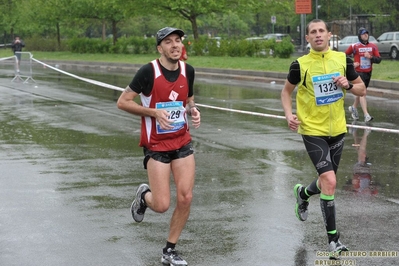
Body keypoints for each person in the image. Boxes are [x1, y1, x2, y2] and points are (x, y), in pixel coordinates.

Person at [281, 19, 366, 259]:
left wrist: (347, 84)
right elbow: (286, 92)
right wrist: (289, 115)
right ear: (307, 38)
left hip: (338, 130)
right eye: (313, 32)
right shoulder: (300, 65)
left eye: (321, 31)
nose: (318, 35)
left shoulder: (343, 60)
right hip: (312, 130)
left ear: (329, 35)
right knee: (329, 180)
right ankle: (333, 241)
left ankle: (303, 194)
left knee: (326, 182)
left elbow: (361, 89)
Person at [117, 27, 200, 266]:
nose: (175, 45)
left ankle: (170, 250)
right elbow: (123, 102)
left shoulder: (188, 71)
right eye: (168, 42)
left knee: (186, 197)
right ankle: (144, 196)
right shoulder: (148, 72)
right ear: (160, 48)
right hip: (156, 145)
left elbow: (188, 100)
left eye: (178, 41)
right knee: (162, 205)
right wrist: (153, 112)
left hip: (182, 141)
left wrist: (193, 110)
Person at [346, 27, 382, 123]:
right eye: (363, 34)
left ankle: (353, 107)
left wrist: (370, 57)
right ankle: (366, 115)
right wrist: (351, 64)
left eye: (366, 33)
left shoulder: (373, 46)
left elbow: (379, 59)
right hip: (358, 73)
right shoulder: (354, 46)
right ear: (359, 36)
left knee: (361, 92)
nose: (365, 35)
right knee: (363, 93)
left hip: (368, 72)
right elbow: (343, 56)